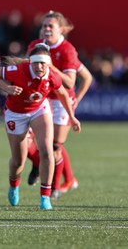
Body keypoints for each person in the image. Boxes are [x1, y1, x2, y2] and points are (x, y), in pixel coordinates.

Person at [0, 43, 81, 210]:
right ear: (30, 62)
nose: (40, 67)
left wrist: (72, 117)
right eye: (36, 63)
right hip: (15, 114)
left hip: (39, 110)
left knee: (47, 150)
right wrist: (6, 87)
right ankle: (14, 185)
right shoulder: (18, 71)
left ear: (48, 64)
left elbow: (63, 93)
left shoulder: (52, 75)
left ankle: (45, 197)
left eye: (44, 63)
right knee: (19, 160)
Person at [26, 11, 92, 198]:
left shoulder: (66, 49)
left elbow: (71, 82)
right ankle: (40, 165)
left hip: (60, 102)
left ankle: (53, 188)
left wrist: (75, 100)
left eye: (50, 26)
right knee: (27, 141)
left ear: (61, 29)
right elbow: (25, 70)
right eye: (44, 26)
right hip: (40, 99)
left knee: (54, 146)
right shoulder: (35, 46)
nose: (46, 29)